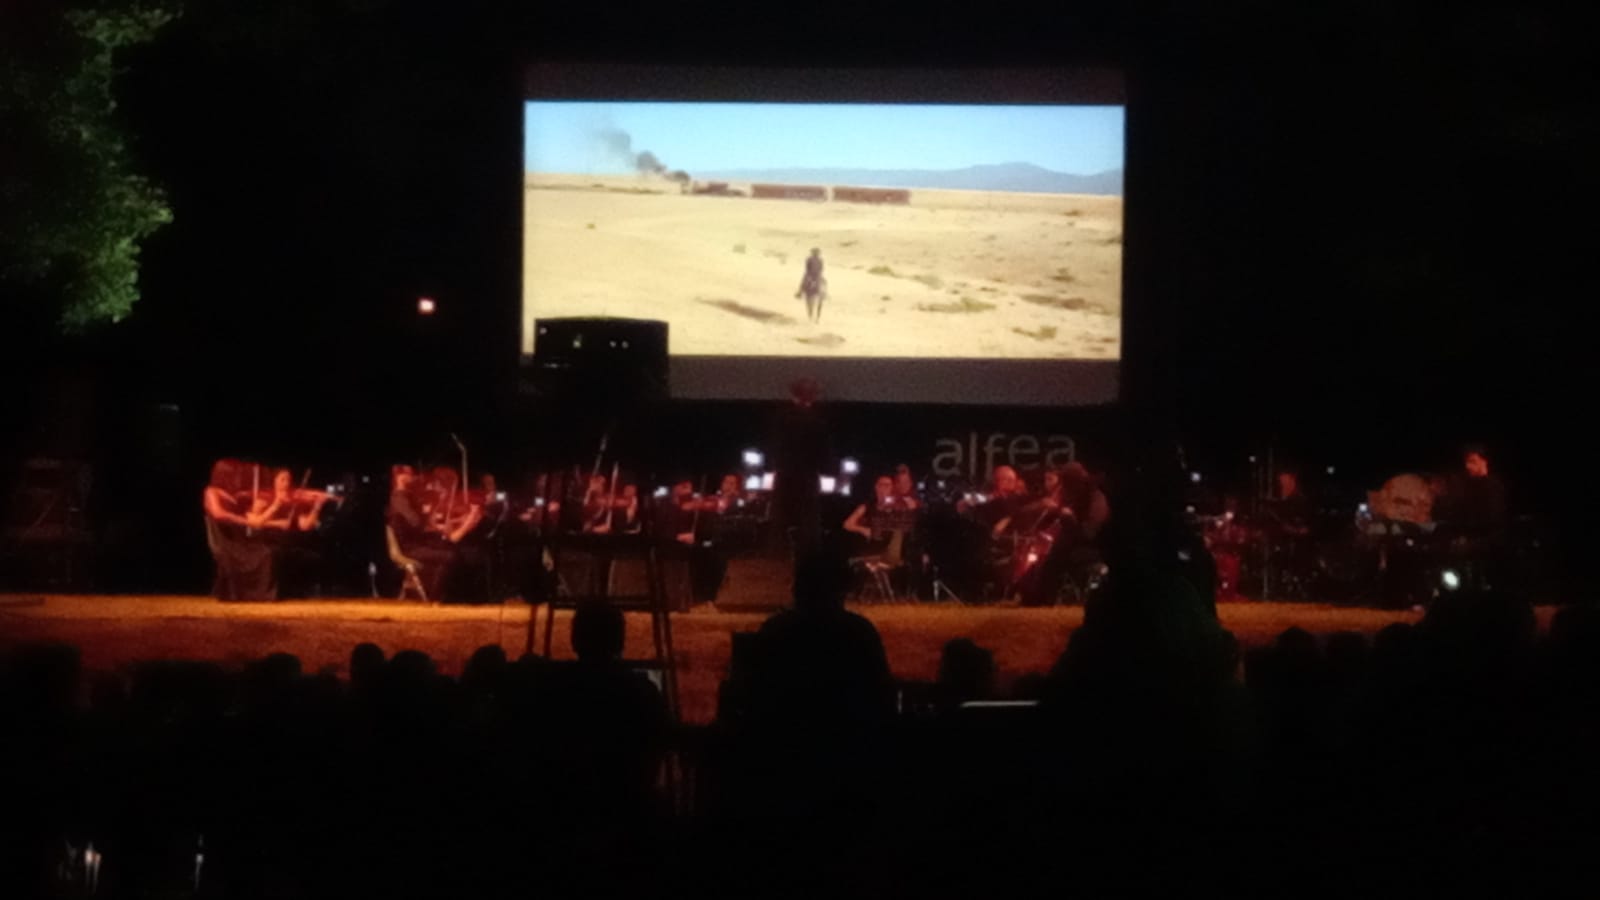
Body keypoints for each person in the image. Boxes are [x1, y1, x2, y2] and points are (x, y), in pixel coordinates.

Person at [202, 459, 276, 601]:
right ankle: (233, 594)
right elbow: (219, 514)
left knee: (266, 553)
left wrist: (259, 510)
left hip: (238, 538)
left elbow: (248, 515)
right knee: (230, 556)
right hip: (222, 538)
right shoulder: (211, 491)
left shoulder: (234, 495)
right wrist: (245, 520)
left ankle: (257, 596)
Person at [796, 248, 826, 323]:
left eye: (816, 253)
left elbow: (821, 269)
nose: (816, 254)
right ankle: (800, 292)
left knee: (823, 282)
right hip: (812, 274)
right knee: (804, 280)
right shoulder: (810, 259)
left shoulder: (820, 260)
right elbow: (807, 269)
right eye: (815, 253)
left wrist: (817, 275)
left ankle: (800, 292)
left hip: (816, 275)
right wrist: (812, 275)